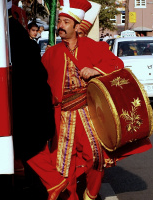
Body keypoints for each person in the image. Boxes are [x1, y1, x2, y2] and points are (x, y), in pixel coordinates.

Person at [27, 0, 125, 199]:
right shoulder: (51, 53)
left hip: (89, 114)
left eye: (65, 22)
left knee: (96, 159)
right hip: (62, 116)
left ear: (77, 26)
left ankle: (90, 194)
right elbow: (41, 83)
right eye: (59, 21)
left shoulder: (94, 47)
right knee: (63, 165)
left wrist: (96, 71)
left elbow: (117, 65)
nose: (60, 26)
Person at [8, 0, 60, 199]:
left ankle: (54, 182)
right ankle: (52, 182)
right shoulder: (27, 46)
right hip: (37, 109)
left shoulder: (23, 45)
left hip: (35, 109)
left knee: (31, 147)